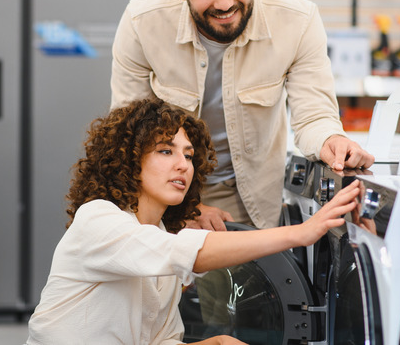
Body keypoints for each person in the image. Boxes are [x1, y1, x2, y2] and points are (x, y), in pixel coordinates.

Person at [110, 0, 374, 231]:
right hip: (164, 200)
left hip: (253, 200)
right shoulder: (142, 23)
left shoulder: (297, 21)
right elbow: (128, 136)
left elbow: (313, 115)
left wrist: (333, 140)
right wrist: (187, 208)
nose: (224, 3)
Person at [26, 98, 361, 344]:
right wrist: (301, 233)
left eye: (188, 155)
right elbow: (186, 252)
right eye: (165, 151)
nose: (183, 164)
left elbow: (157, 340)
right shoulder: (98, 219)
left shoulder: (158, 233)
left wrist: (214, 344)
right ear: (128, 160)